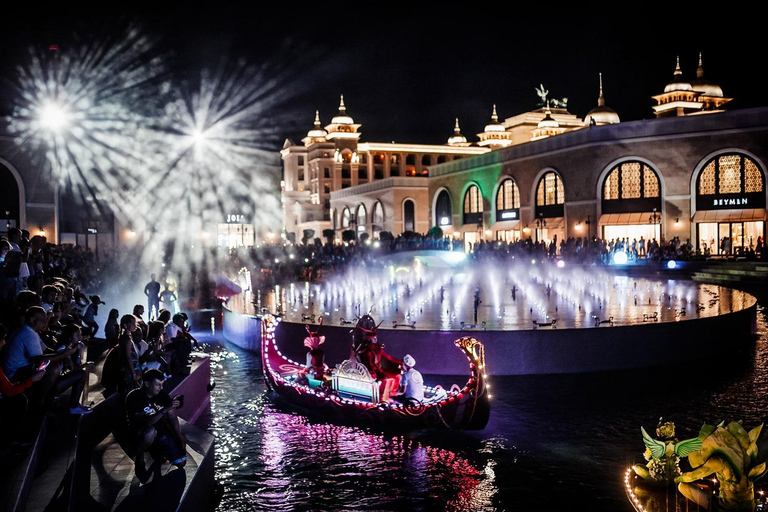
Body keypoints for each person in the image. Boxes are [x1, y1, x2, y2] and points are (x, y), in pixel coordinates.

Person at [125, 368, 186, 483]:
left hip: (160, 432)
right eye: (158, 385)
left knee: (181, 462)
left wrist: (179, 437)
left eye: (162, 385)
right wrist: (166, 408)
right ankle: (140, 457)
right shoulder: (134, 397)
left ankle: (158, 452)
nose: (161, 388)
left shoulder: (161, 395)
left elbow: (172, 416)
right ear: (147, 384)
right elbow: (147, 422)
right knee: (150, 432)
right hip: (140, 432)